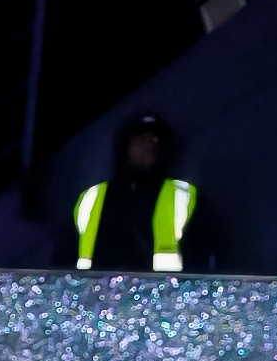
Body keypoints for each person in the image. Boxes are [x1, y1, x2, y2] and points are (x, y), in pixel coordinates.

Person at [69, 115, 204, 272]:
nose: (148, 146)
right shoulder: (91, 197)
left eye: (155, 140)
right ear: (125, 145)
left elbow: (204, 257)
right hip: (96, 288)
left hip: (163, 288)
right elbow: (64, 260)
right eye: (140, 139)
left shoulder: (184, 196)